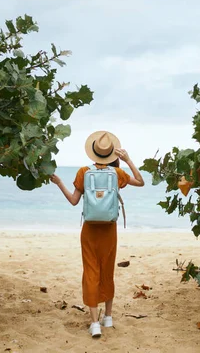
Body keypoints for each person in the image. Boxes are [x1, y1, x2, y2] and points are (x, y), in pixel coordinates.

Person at [49, 131, 144, 338]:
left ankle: (94, 324)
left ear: (93, 153)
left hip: (90, 230)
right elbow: (140, 181)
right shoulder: (117, 174)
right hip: (109, 229)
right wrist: (128, 160)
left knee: (91, 273)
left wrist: (59, 184)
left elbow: (74, 201)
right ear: (112, 154)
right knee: (107, 271)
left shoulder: (83, 172)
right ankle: (108, 318)